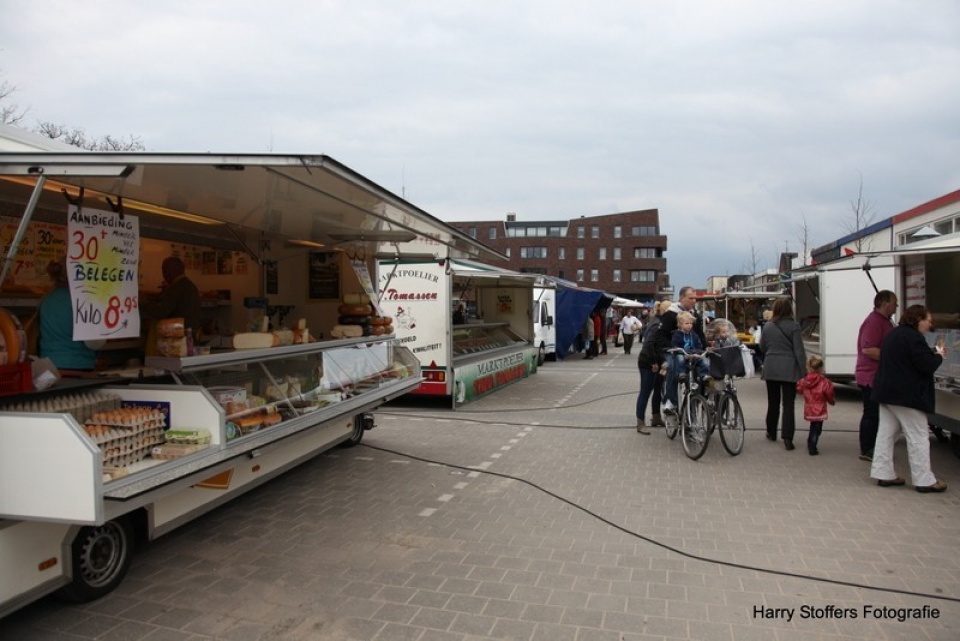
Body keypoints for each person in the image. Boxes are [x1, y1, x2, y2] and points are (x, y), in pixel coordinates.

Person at [870, 305, 947, 493]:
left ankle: (883, 473)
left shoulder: (894, 334)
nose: (930, 323)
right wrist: (938, 356)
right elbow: (926, 365)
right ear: (918, 319)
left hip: (887, 393)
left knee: (886, 435)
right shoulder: (913, 338)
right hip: (907, 396)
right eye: (928, 320)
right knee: (918, 436)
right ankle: (924, 480)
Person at [854, 290, 898, 462]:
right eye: (894, 303)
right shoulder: (873, 322)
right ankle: (867, 448)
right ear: (885, 303)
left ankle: (875, 446)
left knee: (877, 414)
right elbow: (868, 349)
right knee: (871, 413)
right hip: (870, 377)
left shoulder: (885, 322)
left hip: (880, 376)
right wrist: (894, 357)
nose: (896, 307)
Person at [759, 297, 807, 450]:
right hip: (789, 369)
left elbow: (762, 346)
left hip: (771, 367)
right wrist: (803, 371)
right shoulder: (794, 326)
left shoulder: (767, 326)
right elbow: (799, 351)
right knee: (788, 405)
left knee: (773, 402)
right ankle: (787, 438)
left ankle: (771, 431)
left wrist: (771, 355)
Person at [38, 258, 99, 371]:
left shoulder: (47, 299)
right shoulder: (82, 300)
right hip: (78, 365)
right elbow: (93, 343)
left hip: (48, 365)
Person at [655, 286, 703, 415]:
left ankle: (697, 406)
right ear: (681, 298)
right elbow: (660, 335)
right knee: (673, 366)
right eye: (690, 298)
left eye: (695, 298)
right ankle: (670, 401)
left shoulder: (694, 316)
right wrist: (670, 348)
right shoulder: (670, 314)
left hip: (690, 351)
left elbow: (699, 335)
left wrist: (705, 349)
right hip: (673, 350)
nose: (693, 301)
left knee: (702, 368)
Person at [141, 256, 202, 341]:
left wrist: (143, 302)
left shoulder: (175, 288)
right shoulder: (190, 286)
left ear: (168, 272)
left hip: (176, 338)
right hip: (190, 334)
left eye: (163, 270)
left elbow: (160, 312)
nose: (164, 274)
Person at [635, 300, 668, 433]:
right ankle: (640, 422)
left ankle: (656, 417)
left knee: (658, 390)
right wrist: (653, 362)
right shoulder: (657, 324)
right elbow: (648, 344)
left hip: (658, 361)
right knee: (645, 392)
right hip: (648, 361)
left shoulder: (661, 323)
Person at [796, 355, 835, 456]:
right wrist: (831, 401)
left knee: (813, 426)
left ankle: (810, 442)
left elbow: (799, 389)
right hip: (820, 408)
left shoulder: (804, 381)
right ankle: (812, 446)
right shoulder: (824, 382)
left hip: (809, 407)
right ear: (820, 369)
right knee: (817, 429)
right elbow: (829, 393)